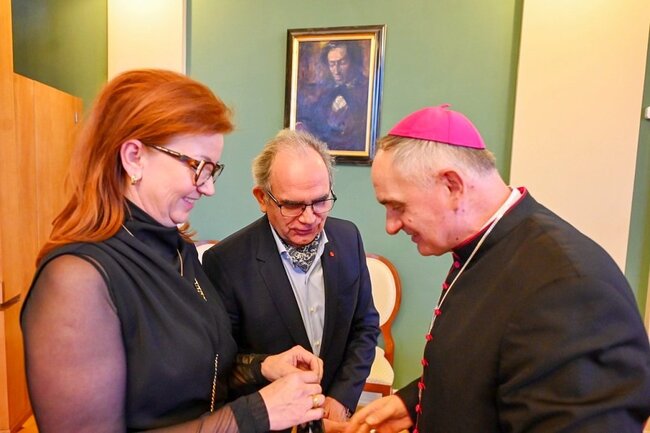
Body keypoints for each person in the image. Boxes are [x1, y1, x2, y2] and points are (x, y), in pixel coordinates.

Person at [21, 69, 328, 433]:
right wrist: (255, 413)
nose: (208, 188)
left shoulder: (180, 251)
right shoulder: (76, 281)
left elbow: (201, 373)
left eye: (213, 170)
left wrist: (263, 367)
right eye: (198, 167)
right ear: (134, 157)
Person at [346, 104, 650, 433]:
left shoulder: (568, 286)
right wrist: (415, 402)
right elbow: (490, 359)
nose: (391, 226)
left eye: (397, 206)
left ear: (452, 186)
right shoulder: (488, 247)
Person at [202, 129, 380, 431]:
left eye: (320, 201)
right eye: (293, 205)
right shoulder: (225, 262)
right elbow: (223, 365)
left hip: (334, 414)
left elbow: (365, 326)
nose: (309, 218)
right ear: (262, 198)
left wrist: (341, 398)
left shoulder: (348, 237)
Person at [297, 41, 370, 152]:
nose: (336, 71)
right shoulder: (323, 91)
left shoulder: (366, 89)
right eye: (332, 64)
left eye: (342, 63)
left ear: (354, 61)